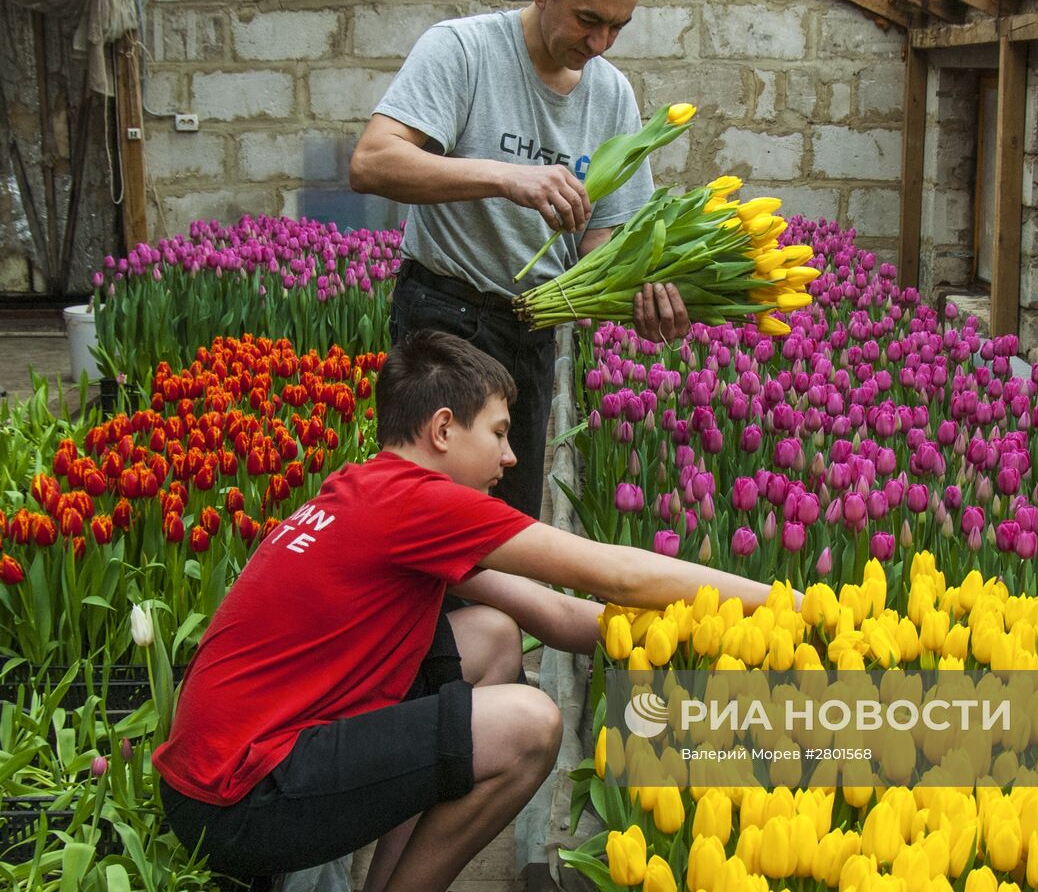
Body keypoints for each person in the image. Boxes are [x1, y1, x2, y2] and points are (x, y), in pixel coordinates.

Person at [153, 330, 783, 891]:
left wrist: (707, 635)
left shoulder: (366, 488)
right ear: (444, 429)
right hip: (236, 798)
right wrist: (794, 606)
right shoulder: (418, 505)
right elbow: (615, 571)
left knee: (491, 638)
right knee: (530, 725)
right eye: (500, 433)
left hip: (218, 773)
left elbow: (558, 618)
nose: (510, 458)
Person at [350, 0, 689, 521]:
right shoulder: (463, 50)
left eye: (617, 27)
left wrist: (637, 295)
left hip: (533, 330)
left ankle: (489, 623)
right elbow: (372, 162)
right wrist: (506, 176)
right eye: (588, 20)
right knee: (428, 525)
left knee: (506, 530)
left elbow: (601, 242)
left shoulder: (610, 95)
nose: (600, 44)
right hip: (443, 320)